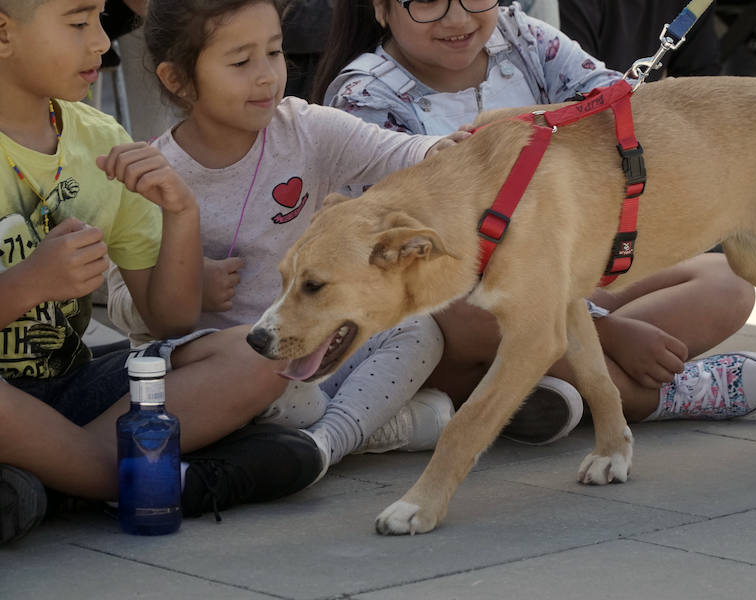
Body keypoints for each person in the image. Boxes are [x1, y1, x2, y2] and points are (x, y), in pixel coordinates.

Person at [313, 0, 756, 432]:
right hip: (452, 315)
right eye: (428, 2)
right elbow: (422, 267)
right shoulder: (365, 98)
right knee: (469, 310)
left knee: (728, 282)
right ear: (380, 7)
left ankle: (534, 388)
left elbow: (621, 108)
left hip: (560, 278)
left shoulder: (522, 37)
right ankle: (642, 397)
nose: (457, 20)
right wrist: (608, 332)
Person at [104, 0, 484, 489]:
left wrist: (448, 149)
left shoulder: (306, 128)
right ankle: (376, 427)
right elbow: (121, 303)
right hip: (226, 371)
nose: (266, 77)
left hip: (308, 348)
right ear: (177, 79)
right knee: (281, 394)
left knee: (420, 331)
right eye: (241, 62)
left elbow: (402, 152)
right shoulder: (152, 175)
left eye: (275, 52)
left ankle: (320, 443)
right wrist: (190, 282)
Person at [0, 0, 332, 546]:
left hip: (69, 384)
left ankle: (50, 481)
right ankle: (137, 479)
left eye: (100, 22)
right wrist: (28, 284)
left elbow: (171, 320)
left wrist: (181, 212)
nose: (102, 43)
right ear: (4, 33)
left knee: (261, 355)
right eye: (79, 23)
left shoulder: (100, 140)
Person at [556, 0, 721, 81]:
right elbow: (575, 82)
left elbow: (701, 77)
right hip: (581, 127)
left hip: (641, 127)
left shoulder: (698, 3)